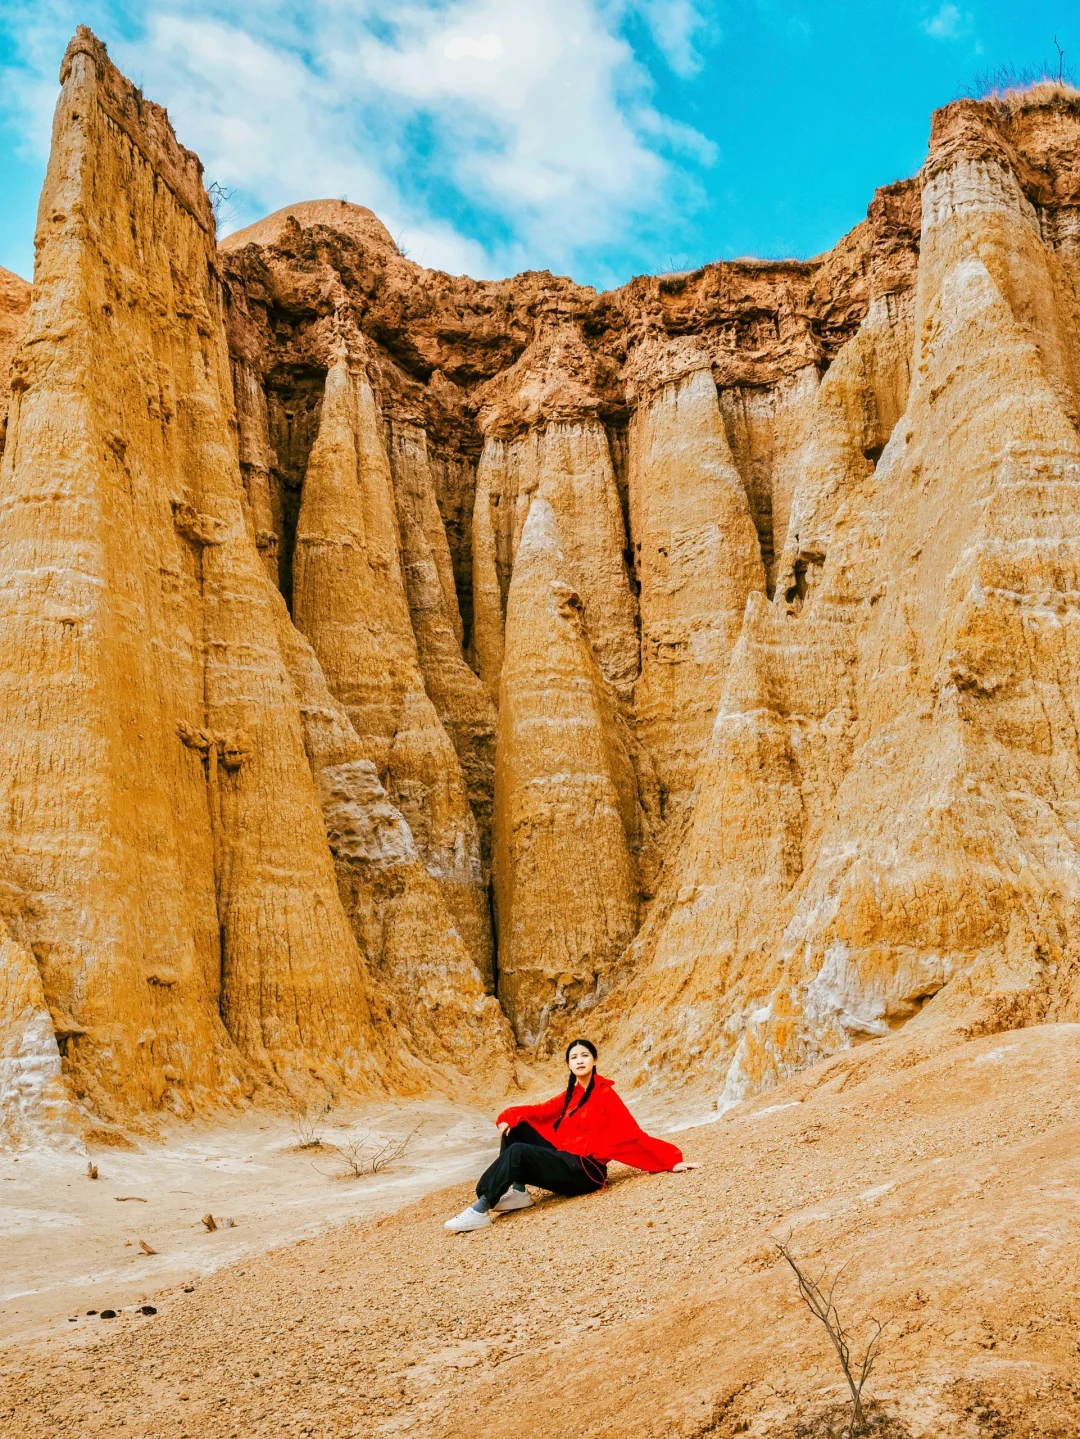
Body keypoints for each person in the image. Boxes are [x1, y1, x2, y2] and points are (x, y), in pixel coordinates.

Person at [444, 1037, 700, 1232]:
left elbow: (633, 1134)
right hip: (567, 1160)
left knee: (518, 1152)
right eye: (574, 1057)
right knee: (517, 1128)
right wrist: (506, 1117)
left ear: (594, 1060)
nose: (579, 1060)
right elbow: (538, 1111)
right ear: (568, 1064)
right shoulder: (571, 1095)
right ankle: (520, 1193)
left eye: (585, 1055)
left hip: (586, 1173)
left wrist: (670, 1160)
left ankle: (482, 1207)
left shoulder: (605, 1095)